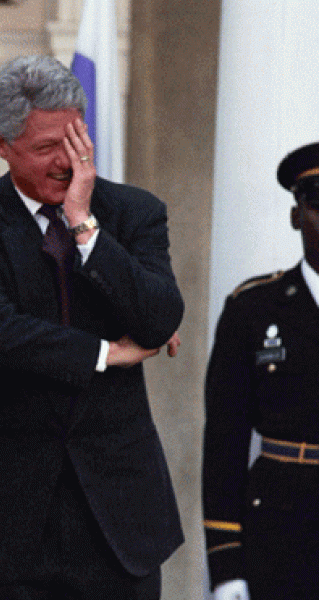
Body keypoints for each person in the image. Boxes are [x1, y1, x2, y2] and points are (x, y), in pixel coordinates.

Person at [0, 55, 184, 600]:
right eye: (47, 148)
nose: (67, 162)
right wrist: (103, 353)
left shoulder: (135, 212)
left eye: (75, 142)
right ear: (2, 144)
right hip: (0, 524)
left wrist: (84, 225)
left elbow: (161, 318)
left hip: (118, 521)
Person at [202, 141, 319, 600]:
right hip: (279, 535)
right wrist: (226, 563)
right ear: (297, 215)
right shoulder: (252, 309)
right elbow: (225, 443)